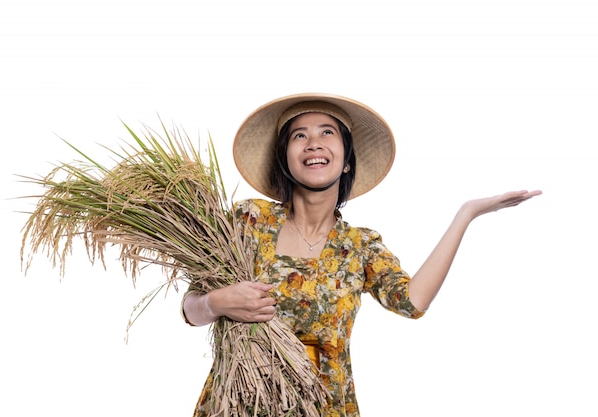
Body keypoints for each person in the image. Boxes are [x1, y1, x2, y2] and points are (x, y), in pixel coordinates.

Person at [181, 93, 541, 416]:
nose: (313, 144)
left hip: (323, 406)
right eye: (299, 135)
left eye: (327, 133)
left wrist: (467, 213)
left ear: (347, 160)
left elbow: (412, 302)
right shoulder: (249, 220)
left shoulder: (360, 245)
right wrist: (216, 303)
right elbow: (191, 309)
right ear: (285, 159)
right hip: (239, 402)